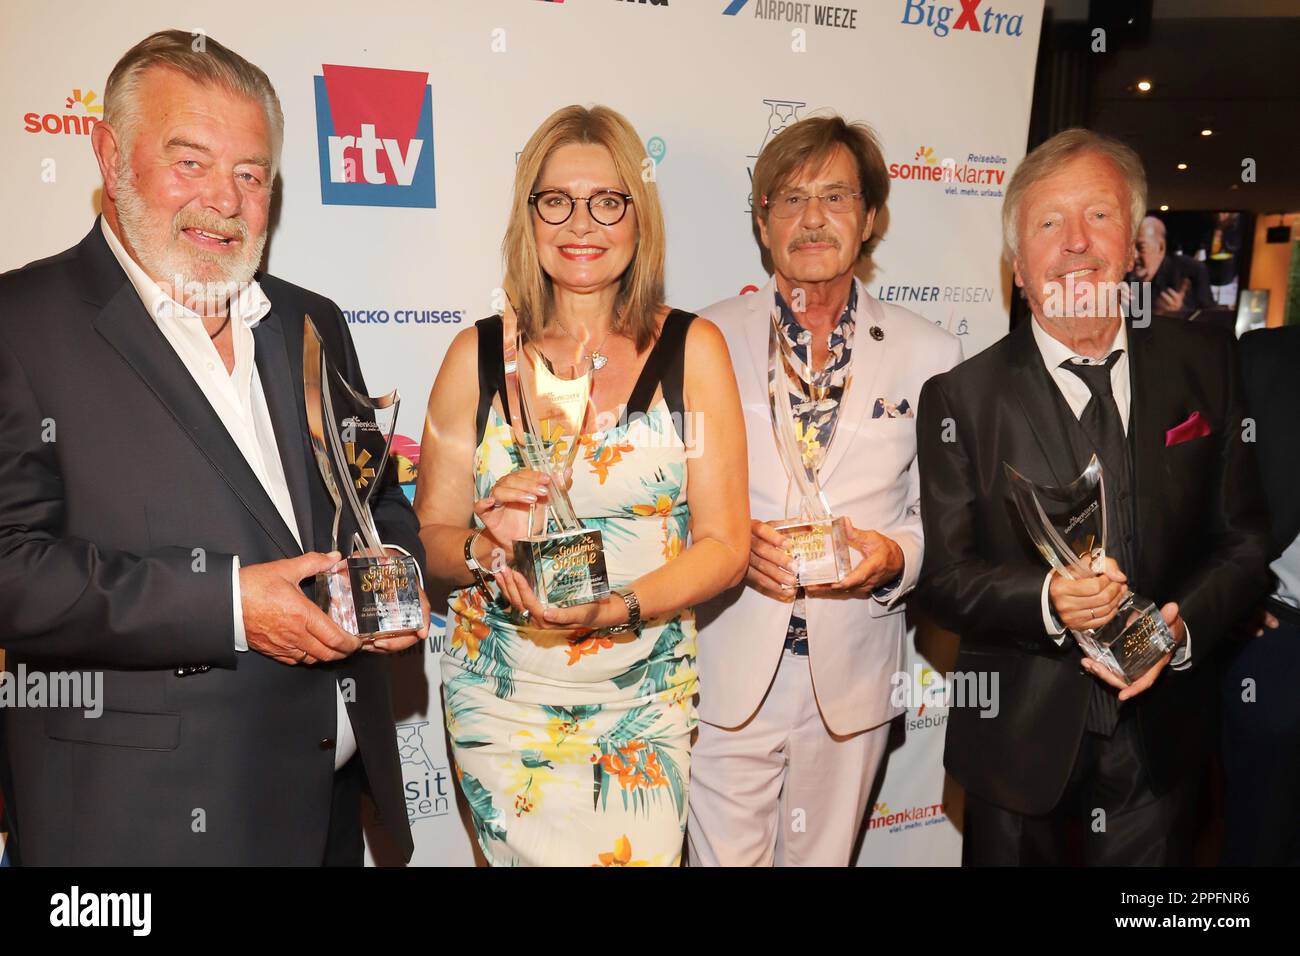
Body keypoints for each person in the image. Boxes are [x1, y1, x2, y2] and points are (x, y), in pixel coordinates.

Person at [0, 31, 429, 865]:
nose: (224, 201)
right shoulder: (19, 324)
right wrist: (228, 605)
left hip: (328, 808)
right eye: (189, 162)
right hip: (137, 826)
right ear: (109, 154)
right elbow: (11, 568)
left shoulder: (312, 321)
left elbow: (374, 497)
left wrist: (395, 584)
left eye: (249, 174)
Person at [917, 128, 1271, 865]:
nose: (1076, 242)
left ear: (1136, 247)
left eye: (1099, 216)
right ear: (1017, 264)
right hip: (1017, 747)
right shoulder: (962, 397)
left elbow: (1244, 542)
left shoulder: (1206, 363)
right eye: (1049, 223)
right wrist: (1048, 600)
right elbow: (946, 581)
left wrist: (1177, 632)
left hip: (1162, 744)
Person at [414, 105, 749, 867]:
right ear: (529, 215)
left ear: (639, 216)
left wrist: (616, 608)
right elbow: (430, 536)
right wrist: (485, 547)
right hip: (503, 699)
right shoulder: (475, 355)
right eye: (556, 200)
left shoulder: (695, 350)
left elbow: (727, 545)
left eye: (608, 201)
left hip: (640, 699)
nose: (582, 223)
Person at [687, 115, 962, 866]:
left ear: (870, 218)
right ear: (762, 220)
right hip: (726, 667)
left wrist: (892, 555)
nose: (812, 218)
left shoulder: (932, 355)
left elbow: (941, 519)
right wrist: (728, 547)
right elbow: (664, 500)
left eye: (836, 197)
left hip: (854, 677)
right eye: (790, 198)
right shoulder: (701, 339)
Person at [1221, 323, 1300, 864]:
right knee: (1260, 845)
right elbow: (1200, 490)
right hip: (1278, 647)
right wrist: (1228, 595)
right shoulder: (1264, 358)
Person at [1132, 215, 1214, 317]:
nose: (1133, 255)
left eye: (1141, 248)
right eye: (1130, 248)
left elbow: (1210, 320)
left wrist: (1181, 312)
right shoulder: (1124, 275)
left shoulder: (1193, 270)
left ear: (1161, 247)